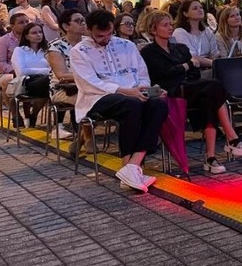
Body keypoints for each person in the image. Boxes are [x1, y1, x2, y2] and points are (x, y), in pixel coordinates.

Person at [69, 10, 169, 192]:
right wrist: (126, 91)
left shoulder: (126, 45)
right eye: (100, 36)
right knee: (131, 105)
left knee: (159, 104)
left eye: (109, 34)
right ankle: (128, 166)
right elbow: (90, 83)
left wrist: (147, 90)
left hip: (134, 94)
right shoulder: (79, 51)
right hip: (98, 98)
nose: (105, 39)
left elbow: (141, 73)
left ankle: (133, 165)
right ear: (89, 30)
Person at [141, 11, 242, 172]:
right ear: (153, 29)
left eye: (170, 24)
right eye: (165, 25)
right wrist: (186, 66)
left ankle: (211, 157)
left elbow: (193, 73)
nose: (170, 28)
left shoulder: (180, 48)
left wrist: (183, 69)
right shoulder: (148, 52)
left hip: (190, 88)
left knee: (209, 100)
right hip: (169, 92)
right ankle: (231, 137)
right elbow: (161, 74)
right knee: (214, 86)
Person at [46, 9, 86, 141]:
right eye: (77, 21)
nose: (83, 24)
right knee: (89, 100)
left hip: (88, 86)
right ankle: (85, 137)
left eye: (83, 20)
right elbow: (61, 74)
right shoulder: (56, 47)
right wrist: (88, 77)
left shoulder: (89, 43)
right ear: (65, 26)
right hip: (63, 89)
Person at [10, 23, 51, 127]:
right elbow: (21, 71)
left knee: (51, 83)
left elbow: (53, 68)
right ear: (27, 36)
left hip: (46, 82)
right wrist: (45, 71)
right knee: (49, 80)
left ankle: (35, 115)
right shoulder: (20, 50)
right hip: (28, 82)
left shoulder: (47, 51)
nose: (38, 35)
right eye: (34, 33)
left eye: (40, 32)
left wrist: (47, 71)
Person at [173, 0, 220, 76]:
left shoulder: (207, 31)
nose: (200, 10)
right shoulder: (180, 32)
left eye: (201, 7)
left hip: (210, 69)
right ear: (185, 13)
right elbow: (192, 57)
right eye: (195, 8)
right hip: (191, 73)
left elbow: (214, 53)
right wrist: (214, 63)